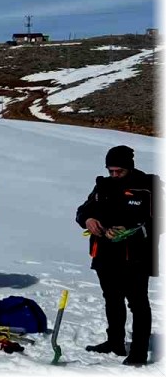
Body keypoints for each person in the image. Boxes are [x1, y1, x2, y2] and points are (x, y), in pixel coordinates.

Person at [76, 145, 158, 366]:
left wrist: (131, 229)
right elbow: (83, 209)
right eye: (110, 170)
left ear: (129, 168)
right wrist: (88, 220)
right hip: (105, 254)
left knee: (138, 304)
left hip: (136, 257)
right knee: (112, 299)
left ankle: (139, 352)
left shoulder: (148, 187)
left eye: (118, 171)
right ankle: (115, 342)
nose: (114, 175)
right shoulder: (102, 185)